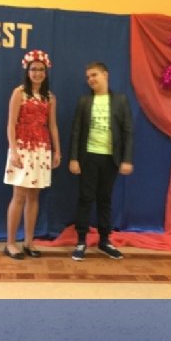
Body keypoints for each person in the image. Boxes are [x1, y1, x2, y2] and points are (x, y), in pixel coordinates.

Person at [69, 61, 134, 261]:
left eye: (94, 75)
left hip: (110, 159)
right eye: (88, 77)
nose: (90, 79)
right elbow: (76, 131)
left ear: (105, 75)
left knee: (105, 199)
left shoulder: (121, 101)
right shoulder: (84, 101)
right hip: (88, 157)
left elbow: (128, 132)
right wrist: (74, 158)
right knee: (85, 198)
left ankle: (104, 240)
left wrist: (126, 159)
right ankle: (81, 241)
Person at [3, 49, 61, 260]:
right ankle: (10, 243)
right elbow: (11, 124)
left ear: (46, 72)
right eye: (33, 69)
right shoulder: (19, 93)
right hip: (22, 147)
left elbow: (52, 126)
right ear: (27, 71)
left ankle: (29, 241)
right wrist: (14, 151)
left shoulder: (49, 97)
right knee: (19, 196)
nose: (37, 73)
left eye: (41, 69)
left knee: (34, 196)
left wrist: (57, 151)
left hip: (41, 149)